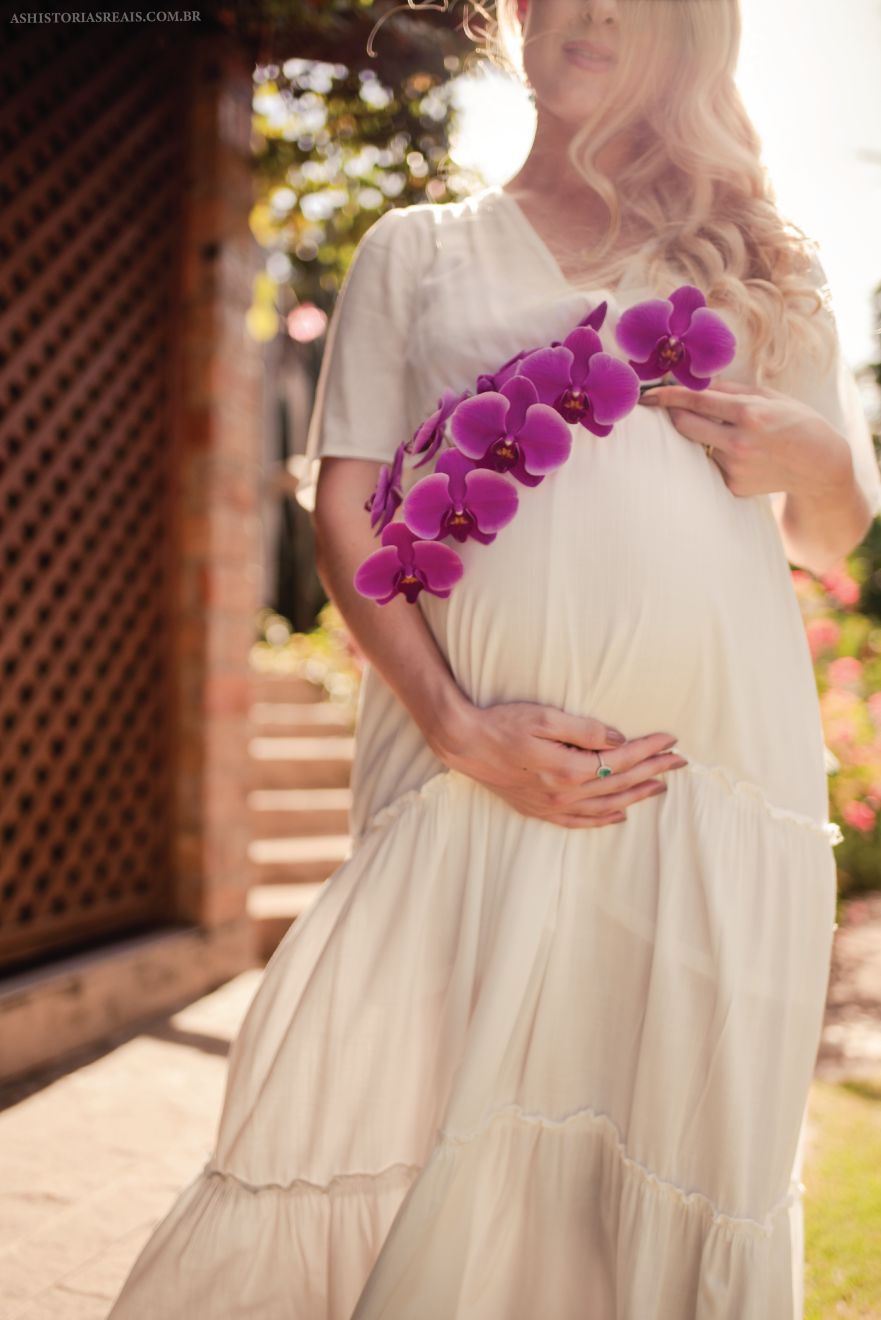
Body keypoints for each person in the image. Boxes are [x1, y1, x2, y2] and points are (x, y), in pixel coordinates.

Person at [109, 1, 880, 1317]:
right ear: (517, 13)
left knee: (651, 1179)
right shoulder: (417, 252)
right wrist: (460, 730)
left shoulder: (758, 259)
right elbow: (347, 509)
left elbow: (830, 534)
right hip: (468, 787)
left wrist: (813, 457)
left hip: (707, 795)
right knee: (429, 1145)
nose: (593, 13)